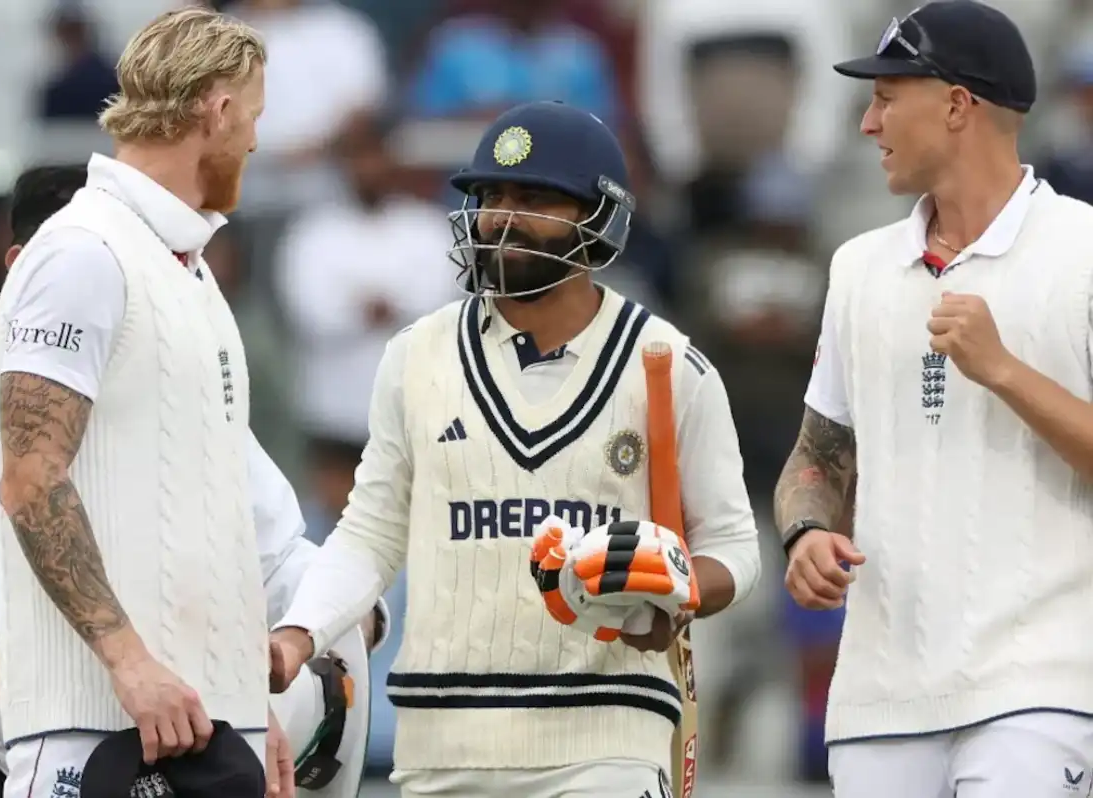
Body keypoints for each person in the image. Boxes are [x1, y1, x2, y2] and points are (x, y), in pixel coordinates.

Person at [267, 100, 762, 797]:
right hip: (440, 748)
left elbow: (736, 551)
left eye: (533, 198)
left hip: (605, 741)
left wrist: (679, 583)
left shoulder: (668, 365)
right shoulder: (416, 356)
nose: (501, 216)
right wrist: (297, 634)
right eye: (489, 195)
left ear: (600, 218)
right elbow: (370, 533)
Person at [0, 165, 384, 798]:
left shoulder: (187, 392)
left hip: (160, 756)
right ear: (22, 264)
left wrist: (336, 621)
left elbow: (282, 560)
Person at [0, 9, 341, 797]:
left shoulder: (191, 271)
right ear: (217, 112)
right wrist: (130, 661)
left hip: (203, 730)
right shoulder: (81, 253)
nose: (254, 141)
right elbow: (30, 477)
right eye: (252, 117)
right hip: (99, 732)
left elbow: (211, 516)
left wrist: (246, 710)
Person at [773, 3, 1093, 796]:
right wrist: (806, 532)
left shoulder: (1083, 252)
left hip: (1042, 689)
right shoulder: (855, 269)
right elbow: (817, 456)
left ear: (957, 105)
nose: (865, 123)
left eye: (887, 97)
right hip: (879, 701)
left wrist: (1005, 370)